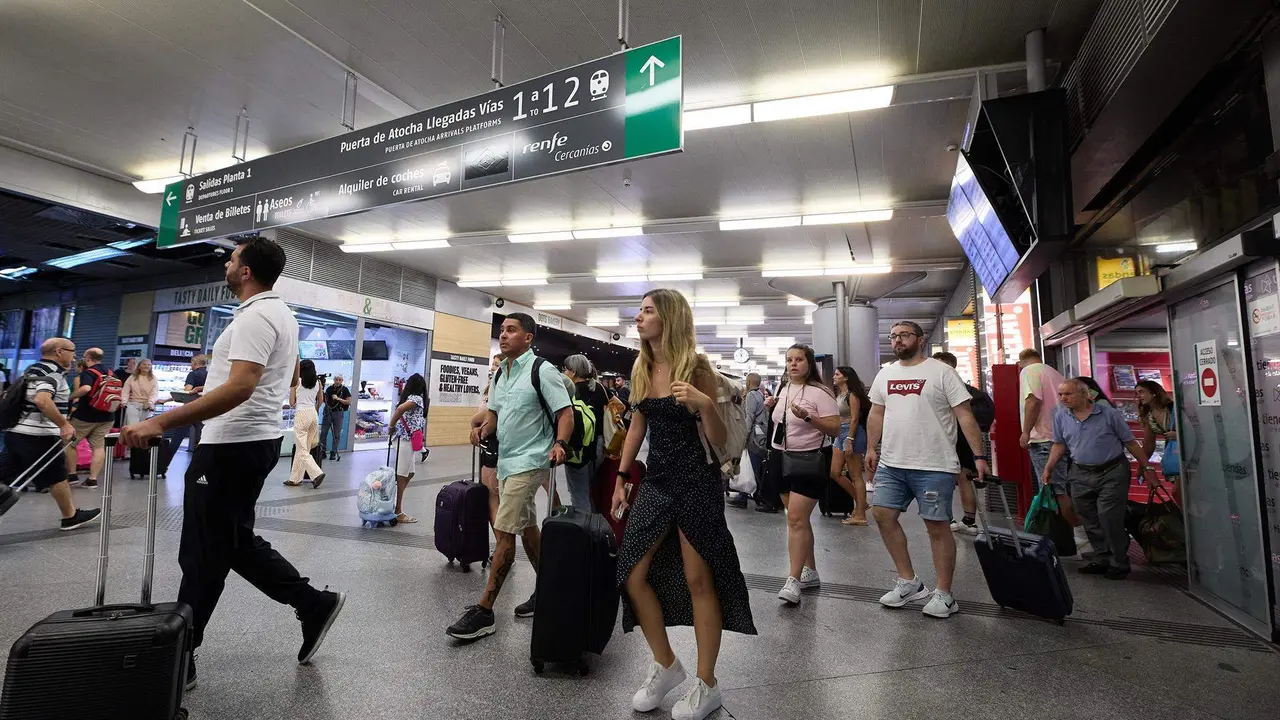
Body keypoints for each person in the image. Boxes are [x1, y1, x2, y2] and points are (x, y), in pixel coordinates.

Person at [121, 236, 345, 689]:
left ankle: (183, 653)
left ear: (245, 271)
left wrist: (162, 422)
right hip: (241, 443)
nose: (226, 262)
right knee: (228, 541)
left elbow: (241, 386)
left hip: (232, 445)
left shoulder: (258, 315)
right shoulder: (272, 313)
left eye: (232, 257)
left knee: (204, 551)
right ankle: (313, 603)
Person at [611, 288, 756, 720]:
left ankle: (706, 682)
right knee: (632, 573)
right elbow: (637, 426)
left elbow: (718, 439)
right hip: (656, 482)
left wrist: (704, 403)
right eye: (639, 311)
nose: (639, 317)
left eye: (648, 311)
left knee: (699, 579)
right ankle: (666, 664)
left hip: (697, 481)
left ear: (670, 317)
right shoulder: (641, 366)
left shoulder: (696, 367)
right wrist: (621, 477)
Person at [447, 313, 573, 640]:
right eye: (501, 330)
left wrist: (560, 442)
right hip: (506, 461)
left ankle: (485, 611)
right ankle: (552, 591)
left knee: (504, 531)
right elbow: (495, 414)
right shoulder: (502, 373)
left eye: (511, 330)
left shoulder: (541, 370)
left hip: (531, 461)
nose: (503, 335)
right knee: (528, 529)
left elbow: (565, 412)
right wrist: (483, 428)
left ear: (528, 338)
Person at [866, 321, 988, 619]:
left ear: (920, 340)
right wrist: (871, 447)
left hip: (934, 464)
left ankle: (944, 594)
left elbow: (964, 415)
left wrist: (979, 456)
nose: (897, 340)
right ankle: (909, 582)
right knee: (882, 515)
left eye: (904, 335)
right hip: (892, 463)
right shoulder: (886, 373)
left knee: (936, 526)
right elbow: (876, 412)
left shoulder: (942, 372)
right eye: (893, 336)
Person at [1040, 379, 1157, 580]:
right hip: (1079, 472)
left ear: (1085, 394)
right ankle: (1102, 557)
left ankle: (1119, 561)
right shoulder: (1061, 416)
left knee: (1108, 516)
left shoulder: (1109, 415)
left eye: (1068, 394)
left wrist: (1147, 468)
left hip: (1112, 471)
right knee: (1088, 517)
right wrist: (1048, 468)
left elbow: (1130, 442)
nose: (1063, 398)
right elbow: (1059, 444)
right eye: (1060, 395)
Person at [0, 338, 101, 529]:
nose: (74, 356)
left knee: (5, 472)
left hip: (16, 432)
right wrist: (64, 424)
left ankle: (70, 515)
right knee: (57, 476)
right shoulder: (52, 373)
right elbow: (42, 400)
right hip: (39, 436)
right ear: (59, 351)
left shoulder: (33, 369)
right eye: (72, 351)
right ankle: (70, 517)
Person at [770, 345, 841, 605]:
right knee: (796, 519)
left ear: (809, 363)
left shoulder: (820, 392)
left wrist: (809, 417)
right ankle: (810, 570)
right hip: (780, 456)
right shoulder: (783, 389)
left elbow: (834, 429)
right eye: (789, 360)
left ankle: (793, 579)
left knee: (797, 519)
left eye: (799, 360)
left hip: (810, 459)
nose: (793, 364)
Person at [1018, 349, 1076, 526]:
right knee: (1062, 488)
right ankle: (1074, 532)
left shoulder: (1029, 371)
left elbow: (1033, 401)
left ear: (1021, 362)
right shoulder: (1054, 373)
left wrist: (1026, 431)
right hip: (1063, 437)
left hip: (1044, 438)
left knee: (1053, 490)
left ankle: (1070, 534)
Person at [931, 352, 985, 535]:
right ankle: (969, 522)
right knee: (964, 478)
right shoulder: (971, 391)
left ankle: (950, 518)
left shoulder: (939, 389)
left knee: (946, 479)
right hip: (965, 440)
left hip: (949, 439)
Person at [64, 347, 116, 489]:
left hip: (86, 416)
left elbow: (86, 389)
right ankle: (92, 480)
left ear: (87, 358)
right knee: (98, 447)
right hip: (107, 416)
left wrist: (71, 396)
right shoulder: (111, 372)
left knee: (70, 443)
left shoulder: (88, 373)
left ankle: (72, 475)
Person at [563, 353, 607, 511]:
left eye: (565, 369)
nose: (564, 373)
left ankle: (585, 532)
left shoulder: (570, 391)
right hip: (600, 445)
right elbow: (620, 406)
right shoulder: (599, 387)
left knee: (579, 493)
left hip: (578, 446)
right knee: (590, 490)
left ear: (573, 372)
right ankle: (595, 525)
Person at [830, 365, 872, 527]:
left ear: (846, 377)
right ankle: (861, 503)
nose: (834, 376)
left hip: (851, 433)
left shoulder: (852, 395)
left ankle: (860, 514)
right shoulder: (840, 395)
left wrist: (850, 439)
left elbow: (855, 419)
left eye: (837, 374)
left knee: (855, 475)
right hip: (840, 433)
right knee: (835, 472)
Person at [157, 354, 208, 478]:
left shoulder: (193, 374)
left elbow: (187, 392)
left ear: (194, 363)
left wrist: (167, 399)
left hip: (189, 411)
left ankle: (162, 467)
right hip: (203, 411)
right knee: (202, 440)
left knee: (177, 439)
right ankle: (202, 470)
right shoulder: (209, 375)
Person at [387, 373, 427, 523]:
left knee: (410, 472)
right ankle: (398, 511)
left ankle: (395, 500)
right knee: (403, 474)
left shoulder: (407, 397)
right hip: (405, 440)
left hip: (404, 439)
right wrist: (390, 425)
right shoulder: (417, 398)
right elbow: (399, 410)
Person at [1136, 380, 1180, 503]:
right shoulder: (1148, 415)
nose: (1138, 396)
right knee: (1181, 494)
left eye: (1141, 392)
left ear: (1154, 393)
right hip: (1173, 457)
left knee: (1178, 493)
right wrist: (1143, 467)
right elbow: (1149, 444)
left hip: (1188, 456)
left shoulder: (1174, 408)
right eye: (1137, 393)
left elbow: (1196, 429)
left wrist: (1179, 436)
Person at [284, 359, 326, 489]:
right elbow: (321, 400)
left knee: (302, 449)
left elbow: (291, 402)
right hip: (313, 414)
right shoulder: (318, 382)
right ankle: (295, 478)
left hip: (301, 414)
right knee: (304, 448)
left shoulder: (296, 382)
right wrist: (314, 410)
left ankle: (316, 473)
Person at [733, 372, 767, 510]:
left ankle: (757, 496)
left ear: (748, 381)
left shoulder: (752, 396)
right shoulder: (759, 395)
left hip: (753, 437)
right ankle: (745, 495)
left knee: (752, 466)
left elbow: (749, 417)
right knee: (753, 466)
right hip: (759, 437)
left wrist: (744, 435)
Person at [320, 374, 351, 461]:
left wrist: (338, 399)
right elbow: (324, 400)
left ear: (342, 381)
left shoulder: (344, 390)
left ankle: (333, 452)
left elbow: (348, 402)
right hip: (328, 412)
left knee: (336, 434)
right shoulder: (329, 389)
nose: (337, 381)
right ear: (334, 380)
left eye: (339, 380)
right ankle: (322, 451)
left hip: (338, 412)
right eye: (336, 379)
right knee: (323, 433)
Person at [121, 359, 159, 427]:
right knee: (133, 426)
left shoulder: (154, 379)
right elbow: (125, 390)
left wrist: (150, 403)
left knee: (142, 428)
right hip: (133, 404)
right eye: (144, 364)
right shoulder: (132, 377)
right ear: (139, 366)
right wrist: (124, 401)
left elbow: (154, 393)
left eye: (149, 365)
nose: (146, 366)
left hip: (146, 406)